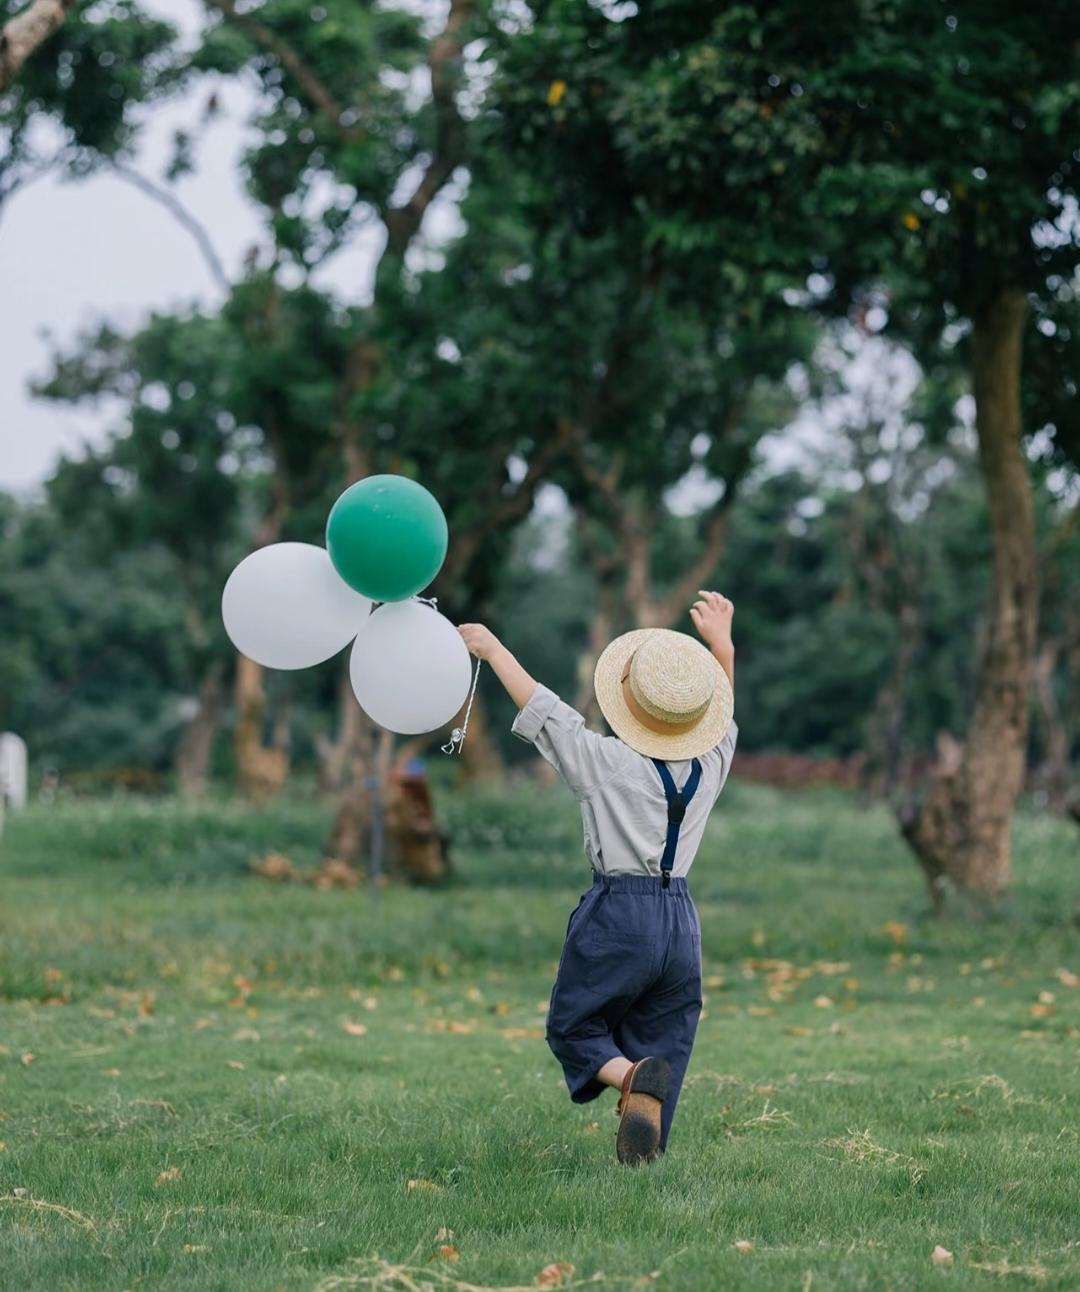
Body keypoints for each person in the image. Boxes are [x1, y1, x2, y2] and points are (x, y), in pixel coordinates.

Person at [457, 591, 737, 1166]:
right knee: (666, 1036)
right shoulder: (710, 765)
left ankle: (630, 1078)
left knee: (573, 1026)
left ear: (628, 705)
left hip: (620, 912)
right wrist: (722, 647)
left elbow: (546, 712)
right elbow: (724, 720)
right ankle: (646, 1157)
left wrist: (492, 649)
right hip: (681, 922)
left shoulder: (608, 763)